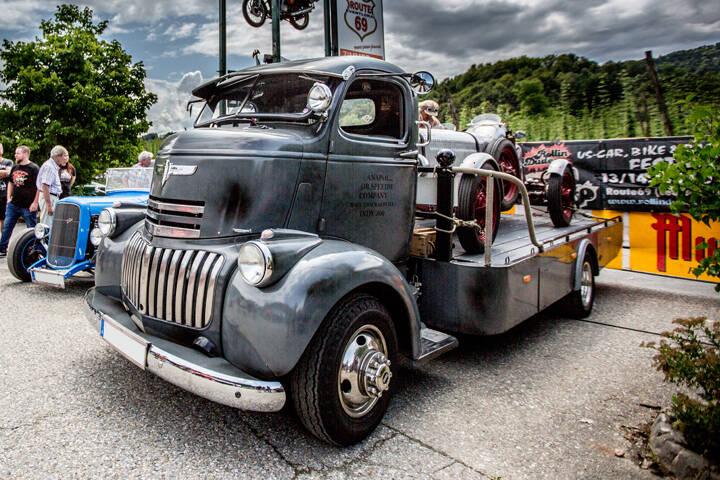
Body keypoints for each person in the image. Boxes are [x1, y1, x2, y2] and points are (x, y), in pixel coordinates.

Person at [0, 146, 39, 257]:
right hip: (14, 204)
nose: (15, 155)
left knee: (31, 228)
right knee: (7, 226)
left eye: (18, 153)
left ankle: (33, 250)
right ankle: (2, 248)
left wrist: (35, 203)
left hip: (28, 205)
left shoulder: (34, 168)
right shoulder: (15, 167)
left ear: (26, 154)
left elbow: (39, 187)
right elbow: (11, 183)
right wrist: (8, 198)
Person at [36, 145, 68, 226]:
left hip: (52, 197)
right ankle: (45, 239)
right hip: (49, 197)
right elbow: (45, 186)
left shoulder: (53, 166)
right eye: (64, 156)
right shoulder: (49, 167)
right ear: (57, 156)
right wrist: (49, 205)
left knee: (52, 224)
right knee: (46, 225)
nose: (66, 158)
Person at [0, 143, 13, 233]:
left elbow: (10, 173)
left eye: (1, 147)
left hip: (4, 194)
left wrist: (6, 173)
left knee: (4, 220)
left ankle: (2, 243)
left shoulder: (8, 162)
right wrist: (4, 173)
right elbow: (6, 173)